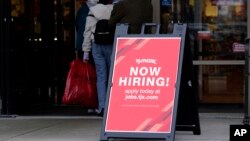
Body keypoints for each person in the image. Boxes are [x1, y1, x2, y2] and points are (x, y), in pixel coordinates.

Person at [82, 0, 113, 116]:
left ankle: (102, 107)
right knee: (112, 76)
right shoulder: (115, 9)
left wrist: (86, 51)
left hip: (97, 45)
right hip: (111, 45)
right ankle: (112, 106)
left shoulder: (93, 10)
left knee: (101, 77)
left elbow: (87, 32)